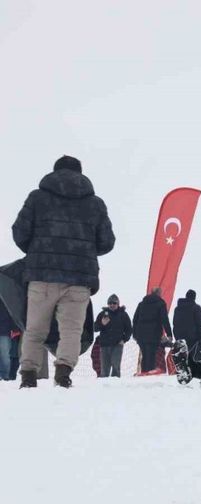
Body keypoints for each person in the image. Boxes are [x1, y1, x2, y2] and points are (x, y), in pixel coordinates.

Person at [13, 156, 115, 388]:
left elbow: (19, 232)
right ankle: (63, 373)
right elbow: (107, 242)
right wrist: (86, 250)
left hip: (42, 275)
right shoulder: (95, 204)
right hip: (79, 278)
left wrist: (37, 250)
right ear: (80, 174)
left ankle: (28, 376)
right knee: (71, 331)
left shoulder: (37, 198)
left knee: (35, 329)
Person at [133, 287, 173, 374]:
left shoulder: (142, 304)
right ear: (159, 293)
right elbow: (164, 320)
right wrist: (169, 334)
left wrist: (135, 334)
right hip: (154, 334)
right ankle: (149, 375)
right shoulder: (161, 304)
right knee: (151, 356)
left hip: (141, 335)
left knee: (145, 355)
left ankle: (143, 373)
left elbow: (135, 319)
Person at [93, 294, 132, 378]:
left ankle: (116, 387)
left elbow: (129, 329)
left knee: (115, 367)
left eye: (114, 303)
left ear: (118, 304)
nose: (112, 305)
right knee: (104, 369)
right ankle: (103, 387)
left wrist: (124, 340)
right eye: (110, 303)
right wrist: (102, 324)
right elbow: (95, 328)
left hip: (117, 344)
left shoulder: (123, 314)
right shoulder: (102, 314)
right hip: (104, 345)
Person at [0, 301, 18, 380]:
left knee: (5, 355)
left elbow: (12, 312)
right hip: (5, 329)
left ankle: (5, 376)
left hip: (5, 329)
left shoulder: (5, 295)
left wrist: (14, 328)